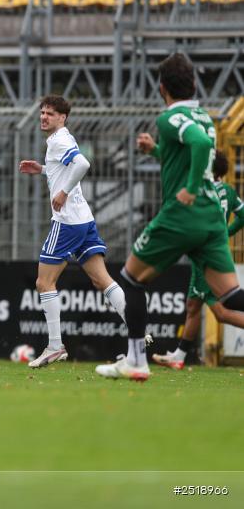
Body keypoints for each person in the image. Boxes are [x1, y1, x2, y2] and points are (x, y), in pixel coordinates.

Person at [96, 53, 244, 381]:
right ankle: (136, 360)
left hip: (182, 214)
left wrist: (189, 188)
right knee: (232, 295)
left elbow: (199, 142)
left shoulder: (168, 118)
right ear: (193, 84)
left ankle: (136, 360)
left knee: (132, 278)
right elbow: (196, 146)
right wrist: (157, 152)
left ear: (162, 88)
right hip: (210, 220)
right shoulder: (204, 115)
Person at [19, 95, 128, 368]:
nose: (44, 117)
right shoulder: (61, 139)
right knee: (102, 280)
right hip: (84, 219)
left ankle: (55, 346)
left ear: (62, 118)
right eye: (42, 112)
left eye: (50, 113)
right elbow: (66, 168)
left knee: (44, 283)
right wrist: (44, 170)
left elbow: (82, 164)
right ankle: (139, 328)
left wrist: (63, 192)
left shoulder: (60, 139)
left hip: (67, 221)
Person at [144, 150, 244, 369]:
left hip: (205, 255)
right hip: (213, 251)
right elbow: (243, 215)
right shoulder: (227, 190)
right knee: (195, 306)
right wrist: (227, 232)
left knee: (219, 311)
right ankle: (179, 356)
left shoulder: (203, 191)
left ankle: (179, 356)